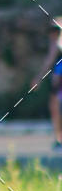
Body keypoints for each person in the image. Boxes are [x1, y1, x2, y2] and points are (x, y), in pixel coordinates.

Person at [31, 17, 62, 149]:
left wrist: (38, 78)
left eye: (56, 30)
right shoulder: (55, 43)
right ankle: (58, 138)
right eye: (52, 31)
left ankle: (59, 138)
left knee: (55, 107)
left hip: (58, 79)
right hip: (57, 78)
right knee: (54, 107)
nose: (53, 34)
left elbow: (50, 60)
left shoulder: (56, 43)